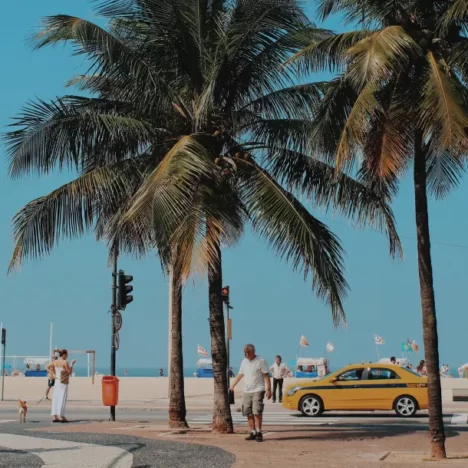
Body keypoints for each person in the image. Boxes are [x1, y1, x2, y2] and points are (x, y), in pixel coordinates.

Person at [229, 344, 271, 442]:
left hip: (258, 389)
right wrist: (232, 385)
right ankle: (252, 432)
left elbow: (266, 376)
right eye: (245, 353)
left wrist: (268, 389)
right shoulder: (244, 361)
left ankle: (259, 432)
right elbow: (240, 374)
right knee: (248, 411)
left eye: (248, 353)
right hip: (247, 390)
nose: (246, 354)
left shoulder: (261, 361)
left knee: (257, 411)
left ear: (253, 352)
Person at [46, 349, 75, 423]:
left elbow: (47, 367)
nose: (67, 356)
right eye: (67, 354)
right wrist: (72, 364)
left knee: (55, 397)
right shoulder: (65, 362)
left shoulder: (55, 361)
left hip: (57, 381)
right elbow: (69, 372)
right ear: (64, 354)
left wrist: (53, 374)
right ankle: (61, 416)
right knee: (62, 397)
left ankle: (54, 416)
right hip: (63, 382)